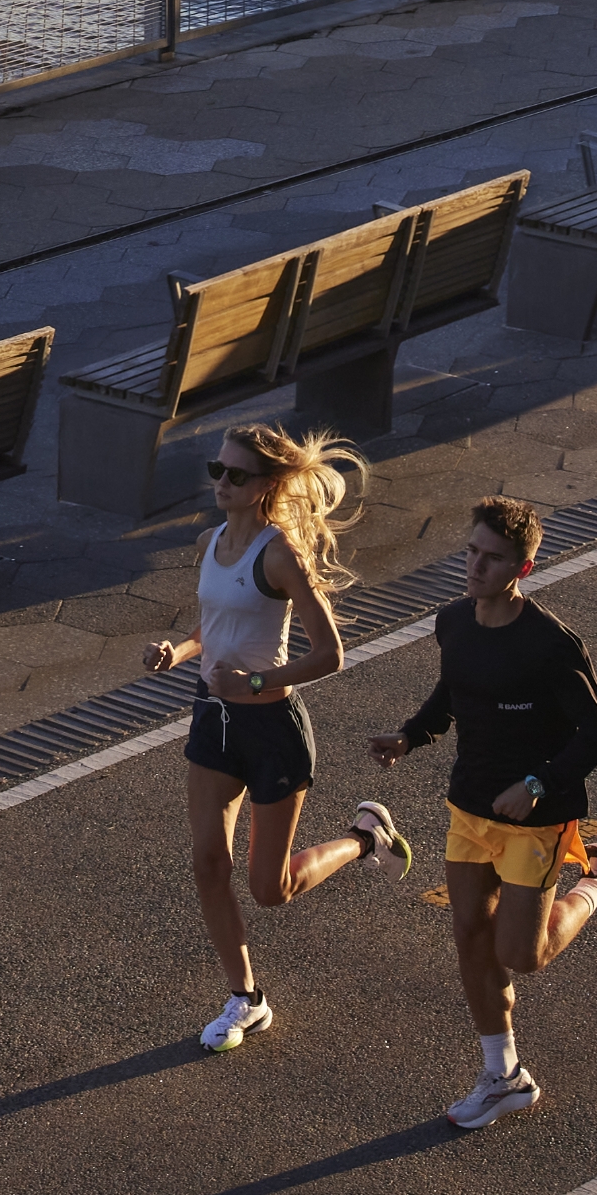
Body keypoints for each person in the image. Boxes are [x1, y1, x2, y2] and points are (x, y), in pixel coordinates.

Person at [368, 496, 597, 1128]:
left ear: (522, 567)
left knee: (523, 954)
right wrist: (412, 736)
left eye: (492, 558)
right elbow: (454, 690)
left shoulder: (551, 645)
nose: (475, 566)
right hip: (469, 805)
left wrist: (536, 783)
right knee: (470, 934)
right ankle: (502, 1076)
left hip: (535, 818)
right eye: (471, 551)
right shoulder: (454, 623)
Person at [139, 423, 413, 1053]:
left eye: (236, 475)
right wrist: (174, 650)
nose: (222, 484)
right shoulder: (210, 542)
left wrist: (258, 679)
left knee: (270, 890)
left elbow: (329, 654)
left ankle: (365, 837)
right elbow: (213, 630)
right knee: (208, 864)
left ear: (267, 486)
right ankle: (246, 999)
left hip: (272, 731)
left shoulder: (279, 555)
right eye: (217, 470)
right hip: (213, 720)